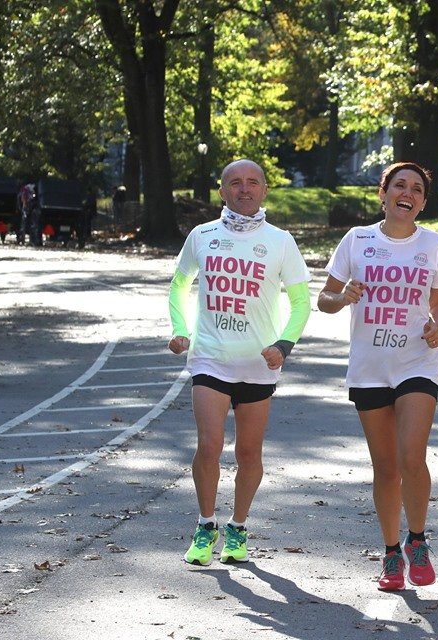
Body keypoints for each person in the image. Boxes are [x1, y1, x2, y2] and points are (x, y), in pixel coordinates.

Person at [168, 159, 311, 566]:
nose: (244, 189)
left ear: (265, 190)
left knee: (249, 453)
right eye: (235, 183)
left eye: (252, 183)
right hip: (210, 359)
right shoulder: (202, 236)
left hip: (258, 365)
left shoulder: (281, 241)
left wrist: (284, 344)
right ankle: (205, 524)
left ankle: (238, 528)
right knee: (209, 446)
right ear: (222, 192)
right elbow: (179, 285)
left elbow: (301, 303)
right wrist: (180, 329)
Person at [317, 162, 438, 591]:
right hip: (370, 367)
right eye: (399, 185)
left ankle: (417, 539)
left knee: (412, 456)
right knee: (386, 468)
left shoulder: (433, 244)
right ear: (384, 193)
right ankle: (391, 553)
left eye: (416, 188)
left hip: (417, 363)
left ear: (422, 202)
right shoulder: (356, 240)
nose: (406, 192)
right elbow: (324, 298)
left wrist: (435, 327)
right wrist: (343, 297)